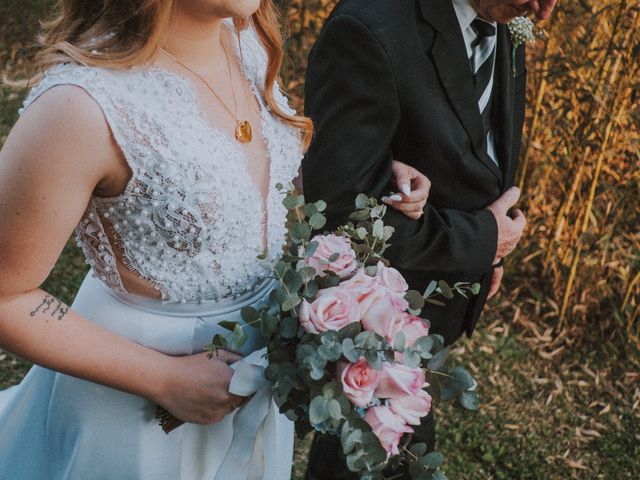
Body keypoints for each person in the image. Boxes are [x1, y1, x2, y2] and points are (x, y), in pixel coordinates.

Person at [0, 0, 430, 478]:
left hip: (254, 367)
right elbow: (5, 296)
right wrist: (163, 380)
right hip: (134, 400)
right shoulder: (80, 106)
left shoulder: (245, 42)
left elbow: (251, 176)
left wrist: (364, 180)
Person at [302, 0, 557, 478]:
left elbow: (477, 148)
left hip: (440, 302)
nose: (542, 13)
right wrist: (480, 240)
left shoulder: (502, 15)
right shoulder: (368, 28)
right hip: (375, 319)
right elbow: (339, 211)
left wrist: (488, 257)